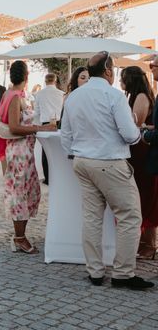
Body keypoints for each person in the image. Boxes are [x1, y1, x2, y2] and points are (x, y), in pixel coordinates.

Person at [62, 52, 152, 290]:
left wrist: (75, 153)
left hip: (82, 161)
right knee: (130, 216)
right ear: (108, 71)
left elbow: (66, 135)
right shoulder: (114, 95)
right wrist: (132, 125)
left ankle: (95, 271)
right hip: (110, 162)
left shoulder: (73, 97)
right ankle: (123, 273)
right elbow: (131, 135)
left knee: (92, 218)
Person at [0, 61, 56, 254]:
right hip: (18, 152)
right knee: (20, 193)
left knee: (27, 191)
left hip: (23, 151)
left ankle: (20, 235)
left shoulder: (14, 95)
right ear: (26, 77)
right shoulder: (15, 97)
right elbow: (15, 127)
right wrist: (40, 128)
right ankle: (19, 238)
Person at [123, 65, 158, 259]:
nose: (121, 82)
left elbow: (135, 125)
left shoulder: (142, 97)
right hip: (139, 153)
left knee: (146, 197)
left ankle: (150, 245)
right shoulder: (135, 96)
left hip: (143, 152)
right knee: (141, 196)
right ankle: (145, 243)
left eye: (124, 78)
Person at [33, 73, 65, 185]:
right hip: (60, 123)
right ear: (55, 81)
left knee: (46, 150)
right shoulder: (62, 94)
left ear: (45, 81)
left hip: (46, 124)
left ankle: (47, 178)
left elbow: (36, 112)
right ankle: (59, 175)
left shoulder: (39, 94)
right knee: (59, 149)